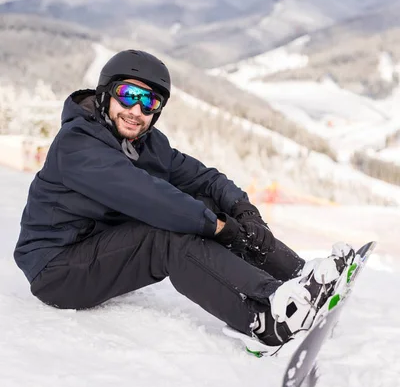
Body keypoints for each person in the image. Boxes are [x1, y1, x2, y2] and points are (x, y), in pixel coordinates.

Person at [14, 50, 355, 350]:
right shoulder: (78, 145)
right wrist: (222, 228)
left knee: (209, 203)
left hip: (100, 248)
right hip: (57, 269)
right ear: (106, 95)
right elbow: (150, 199)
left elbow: (205, 178)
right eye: (128, 94)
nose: (136, 109)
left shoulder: (147, 144)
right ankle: (268, 315)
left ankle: (300, 277)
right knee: (167, 236)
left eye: (149, 102)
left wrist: (243, 212)